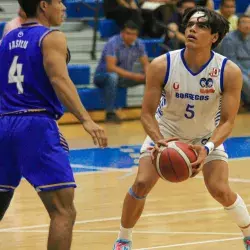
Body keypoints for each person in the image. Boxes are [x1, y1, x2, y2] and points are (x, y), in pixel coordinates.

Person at [113, 6, 250, 250]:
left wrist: (207, 148)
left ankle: (248, 234)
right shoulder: (161, 65)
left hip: (206, 138)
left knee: (219, 189)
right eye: (190, 25)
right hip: (165, 133)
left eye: (201, 26)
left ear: (215, 36)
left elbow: (228, 121)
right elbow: (146, 114)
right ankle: (123, 240)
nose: (192, 29)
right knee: (142, 183)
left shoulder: (228, 71)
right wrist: (158, 140)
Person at [0, 0, 107, 250]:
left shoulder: (6, 39)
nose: (64, 7)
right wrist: (87, 120)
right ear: (44, 5)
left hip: (4, 123)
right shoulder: (51, 36)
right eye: (59, 1)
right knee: (63, 211)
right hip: (35, 125)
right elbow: (59, 79)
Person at [94, 20, 149, 123]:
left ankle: (150, 111)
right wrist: (134, 76)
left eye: (134, 34)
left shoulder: (139, 43)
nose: (131, 36)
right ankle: (110, 113)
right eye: (128, 33)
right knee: (113, 76)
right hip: (102, 76)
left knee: (152, 79)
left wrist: (148, 75)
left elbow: (146, 64)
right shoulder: (113, 42)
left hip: (123, 77)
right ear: (122, 33)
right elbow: (111, 67)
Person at [218, 14, 250, 108]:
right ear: (238, 25)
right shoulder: (230, 39)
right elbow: (232, 62)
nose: (247, 25)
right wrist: (247, 72)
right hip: (237, 68)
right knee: (245, 80)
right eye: (244, 22)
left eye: (249, 23)